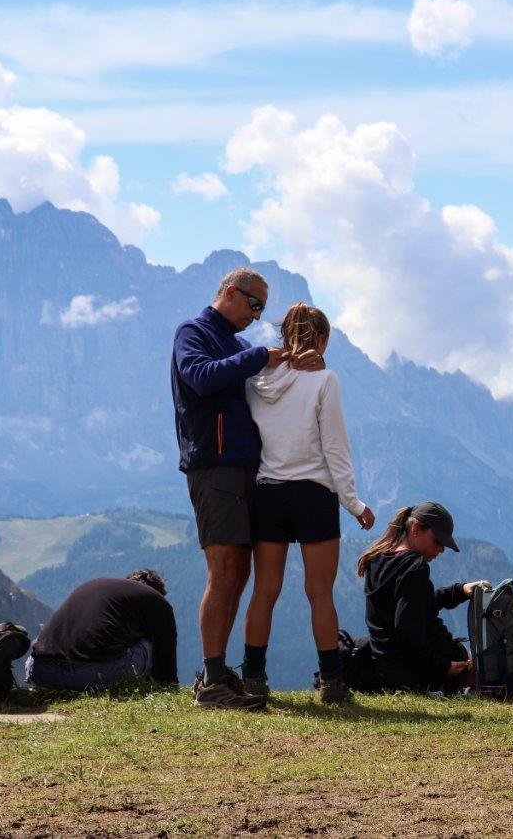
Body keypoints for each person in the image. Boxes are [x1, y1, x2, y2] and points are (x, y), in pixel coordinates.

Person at [172, 266, 323, 710]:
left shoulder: (238, 344)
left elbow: (266, 386)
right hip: (214, 466)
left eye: (262, 309)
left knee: (238, 573)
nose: (257, 316)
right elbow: (200, 376)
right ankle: (212, 681)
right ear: (231, 293)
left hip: (242, 470)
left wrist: (299, 365)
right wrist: (261, 356)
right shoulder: (193, 331)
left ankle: (217, 674)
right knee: (223, 572)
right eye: (254, 305)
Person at [240, 303, 376, 704]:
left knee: (264, 590)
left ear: (284, 337)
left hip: (268, 491)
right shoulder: (325, 381)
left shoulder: (256, 381)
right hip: (313, 493)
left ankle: (252, 678)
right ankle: (332, 683)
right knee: (320, 593)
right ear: (319, 340)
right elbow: (335, 447)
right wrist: (354, 503)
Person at [357, 502, 489, 693]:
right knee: (481, 667)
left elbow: (415, 605)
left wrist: (459, 591)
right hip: (416, 670)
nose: (441, 549)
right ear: (416, 529)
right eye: (437, 541)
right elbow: (407, 629)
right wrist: (443, 666)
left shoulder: (377, 560)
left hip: (386, 666)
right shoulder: (414, 567)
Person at [27, 570, 177, 690]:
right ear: (158, 592)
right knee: (151, 644)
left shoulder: (96, 585)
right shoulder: (157, 601)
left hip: (40, 669)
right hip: (89, 675)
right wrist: (168, 684)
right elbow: (166, 662)